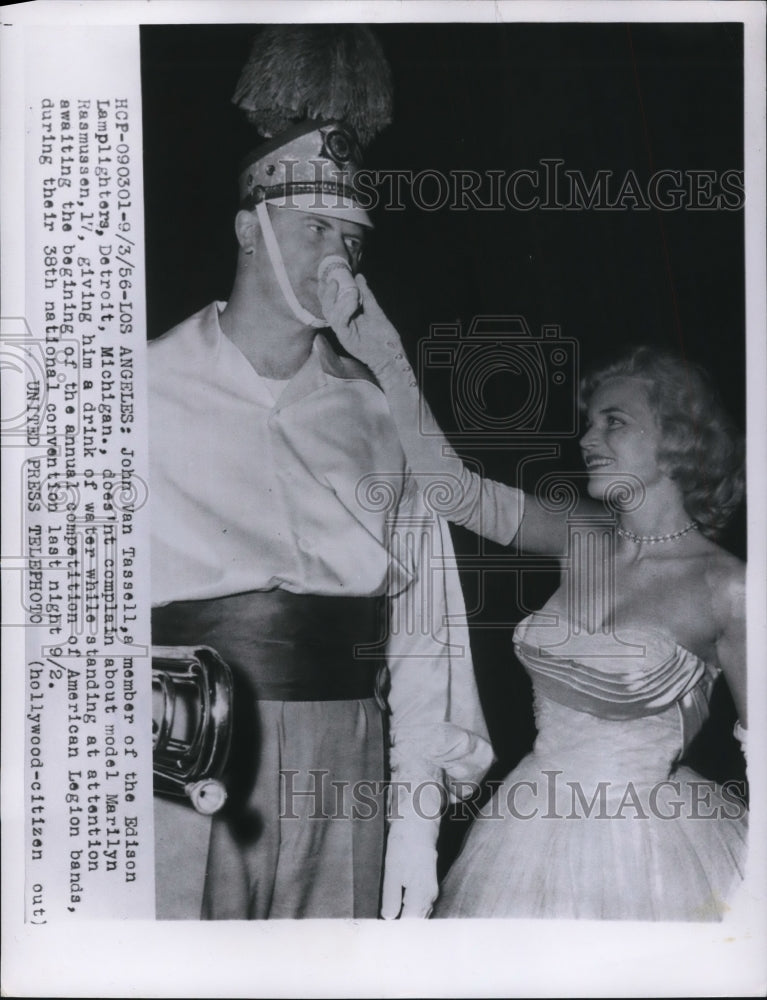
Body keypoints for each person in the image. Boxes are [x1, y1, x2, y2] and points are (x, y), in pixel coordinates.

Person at [148, 119, 494, 920]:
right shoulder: (135, 390)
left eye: (351, 239)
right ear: (248, 229)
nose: (337, 259)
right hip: (177, 744)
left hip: (345, 761)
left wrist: (414, 825)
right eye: (314, 230)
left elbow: (422, 633)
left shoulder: (379, 414)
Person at [320, 276, 748, 921]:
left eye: (615, 422)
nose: (587, 440)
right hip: (526, 827)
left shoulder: (728, 587)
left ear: (677, 438)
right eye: (589, 423)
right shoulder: (578, 534)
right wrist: (385, 357)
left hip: (650, 854)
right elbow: (453, 490)